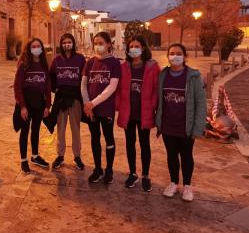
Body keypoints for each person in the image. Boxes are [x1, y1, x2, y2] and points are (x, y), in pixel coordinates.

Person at [155, 43, 206, 202]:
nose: (175, 56)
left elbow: (201, 103)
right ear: (167, 56)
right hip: (168, 125)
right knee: (171, 156)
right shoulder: (163, 75)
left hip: (186, 126)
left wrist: (198, 128)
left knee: (186, 156)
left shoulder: (193, 77)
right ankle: (173, 183)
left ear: (185, 56)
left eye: (178, 53)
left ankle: (188, 186)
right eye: (171, 53)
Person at [116, 35, 160, 192]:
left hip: (144, 113)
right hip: (128, 112)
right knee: (129, 143)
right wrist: (119, 106)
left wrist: (153, 105)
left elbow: (156, 89)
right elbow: (119, 88)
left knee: (144, 144)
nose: (133, 49)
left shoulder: (152, 67)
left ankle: (146, 175)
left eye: (137, 46)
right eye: (131, 46)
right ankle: (133, 173)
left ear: (143, 48)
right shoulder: (124, 66)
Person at [81, 32, 121, 183]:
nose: (98, 46)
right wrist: (87, 104)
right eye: (95, 43)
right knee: (95, 137)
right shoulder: (90, 62)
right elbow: (83, 85)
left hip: (105, 108)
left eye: (101, 43)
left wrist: (93, 103)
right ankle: (97, 168)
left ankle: (109, 170)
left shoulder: (114, 63)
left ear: (109, 44)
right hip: (91, 109)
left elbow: (112, 87)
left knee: (108, 137)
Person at [13, 38, 51, 173]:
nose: (36, 48)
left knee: (36, 130)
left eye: (38, 46)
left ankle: (35, 156)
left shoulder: (44, 65)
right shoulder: (24, 65)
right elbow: (17, 87)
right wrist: (22, 106)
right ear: (29, 49)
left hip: (39, 104)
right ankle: (23, 160)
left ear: (42, 48)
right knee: (24, 131)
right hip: (26, 103)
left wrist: (47, 105)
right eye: (33, 46)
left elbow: (47, 87)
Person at [49, 33, 86, 170]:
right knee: (61, 129)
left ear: (73, 43)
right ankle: (60, 155)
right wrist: (55, 89)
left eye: (69, 42)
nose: (67, 44)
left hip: (75, 98)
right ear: (61, 44)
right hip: (61, 99)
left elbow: (84, 77)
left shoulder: (80, 59)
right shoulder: (56, 60)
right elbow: (51, 77)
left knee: (75, 129)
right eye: (64, 42)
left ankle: (77, 156)